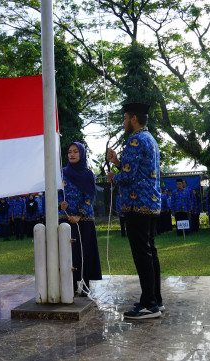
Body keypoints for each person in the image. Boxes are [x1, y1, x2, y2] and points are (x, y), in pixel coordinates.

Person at [107, 102, 163, 320]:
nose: (123, 122)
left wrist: (114, 176)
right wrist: (117, 162)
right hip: (149, 203)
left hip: (136, 204)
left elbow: (128, 177)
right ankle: (155, 299)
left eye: (124, 118)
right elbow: (134, 169)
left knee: (142, 255)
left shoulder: (135, 139)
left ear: (133, 118)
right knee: (150, 252)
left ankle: (149, 305)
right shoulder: (150, 139)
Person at [59, 142, 102, 296]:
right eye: (69, 151)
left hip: (84, 221)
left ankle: (84, 285)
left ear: (82, 154)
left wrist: (79, 214)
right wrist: (61, 204)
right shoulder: (61, 173)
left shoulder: (88, 174)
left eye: (75, 151)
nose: (72, 154)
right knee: (68, 253)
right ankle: (68, 285)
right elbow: (57, 192)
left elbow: (90, 196)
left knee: (85, 252)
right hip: (66, 220)